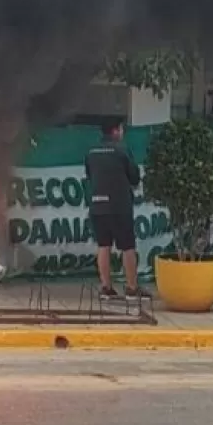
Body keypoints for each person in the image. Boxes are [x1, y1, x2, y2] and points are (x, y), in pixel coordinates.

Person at [85, 118, 150, 301]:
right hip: (119, 206)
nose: (122, 132)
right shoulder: (122, 150)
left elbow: (89, 175)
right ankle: (131, 288)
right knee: (127, 247)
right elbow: (134, 177)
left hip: (97, 204)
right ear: (115, 131)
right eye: (121, 129)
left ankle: (106, 287)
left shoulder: (91, 152)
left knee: (103, 245)